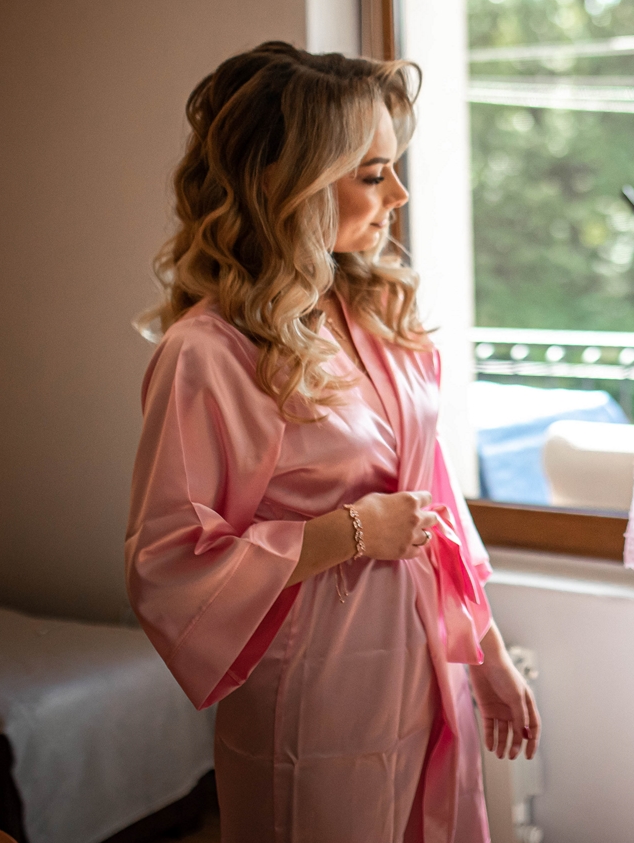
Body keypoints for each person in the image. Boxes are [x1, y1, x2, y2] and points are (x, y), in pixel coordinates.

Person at [125, 42, 540, 843]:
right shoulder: (208, 355)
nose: (399, 193)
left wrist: (485, 650)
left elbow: (434, 500)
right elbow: (167, 561)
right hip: (316, 691)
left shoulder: (375, 313)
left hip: (424, 665)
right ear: (293, 184)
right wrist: (347, 531)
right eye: (374, 173)